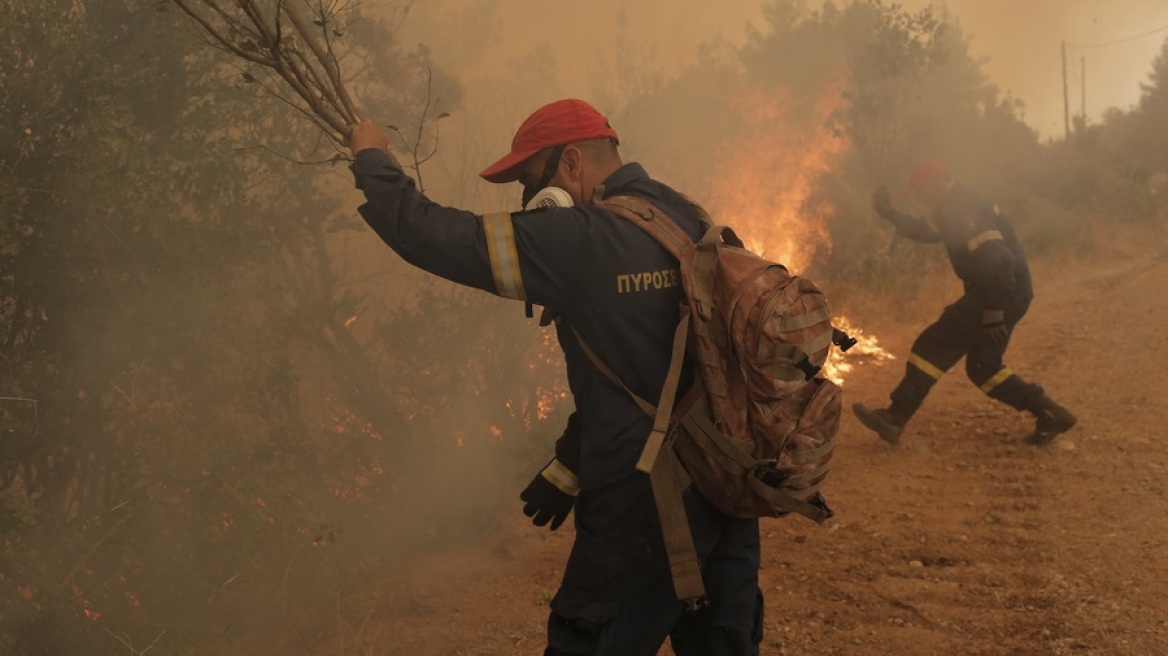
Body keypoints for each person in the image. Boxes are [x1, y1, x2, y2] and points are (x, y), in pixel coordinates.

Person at [346, 98, 764, 655]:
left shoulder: (581, 237)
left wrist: (373, 161)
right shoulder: (683, 215)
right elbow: (648, 365)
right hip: (723, 490)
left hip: (641, 505)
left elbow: (441, 237)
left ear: (570, 164)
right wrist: (571, 462)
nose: (526, 200)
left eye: (527, 179)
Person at [852, 158, 1077, 447]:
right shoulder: (954, 207)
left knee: (930, 347)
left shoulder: (964, 209)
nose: (922, 201)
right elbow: (928, 230)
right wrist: (890, 214)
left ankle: (895, 417)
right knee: (984, 367)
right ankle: (1051, 414)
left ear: (937, 185)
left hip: (996, 291)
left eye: (921, 193)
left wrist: (994, 311)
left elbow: (999, 259)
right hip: (1011, 292)